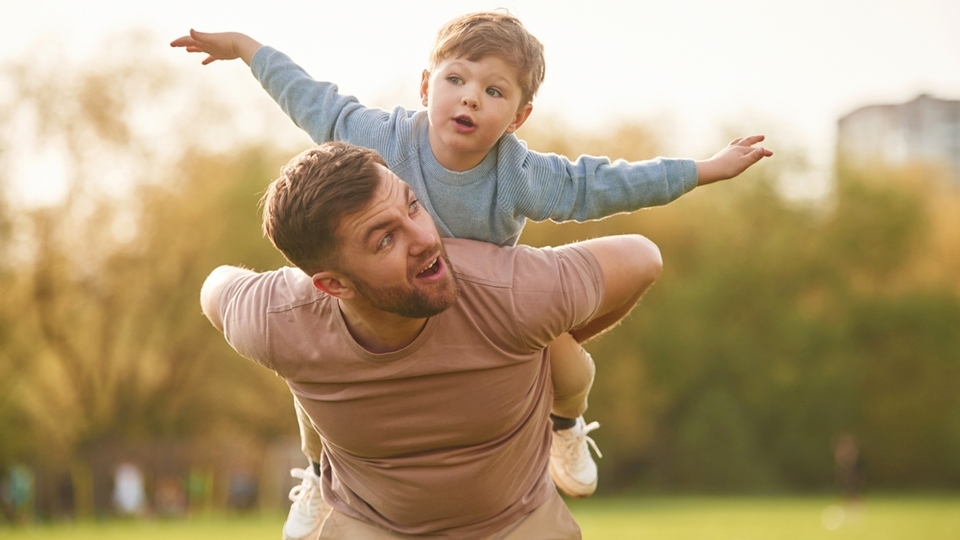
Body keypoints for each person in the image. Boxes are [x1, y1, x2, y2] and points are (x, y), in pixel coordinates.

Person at [173, 11, 772, 538]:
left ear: (518, 115)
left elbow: (605, 184)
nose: (469, 99)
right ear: (427, 85)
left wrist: (704, 169)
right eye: (456, 80)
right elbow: (310, 99)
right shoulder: (378, 139)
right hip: (392, 302)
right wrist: (248, 48)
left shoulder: (522, 175)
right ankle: (322, 475)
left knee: (572, 365)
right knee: (311, 384)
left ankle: (563, 426)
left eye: (493, 91)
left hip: (486, 310)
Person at [200, 142, 666, 538]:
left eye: (412, 206)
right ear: (333, 285)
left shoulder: (508, 291)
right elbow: (214, 290)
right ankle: (319, 474)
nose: (424, 239)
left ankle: (567, 423)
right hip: (369, 524)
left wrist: (542, 343)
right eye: (385, 240)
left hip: (517, 522)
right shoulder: (277, 318)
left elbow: (643, 258)